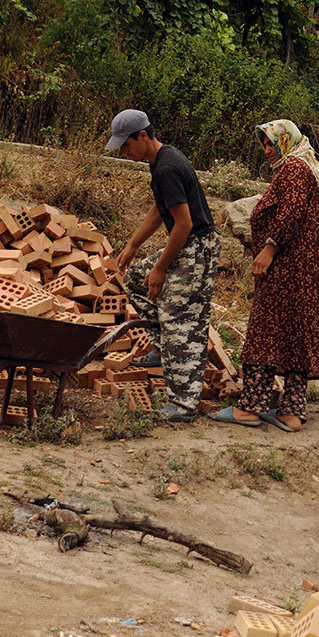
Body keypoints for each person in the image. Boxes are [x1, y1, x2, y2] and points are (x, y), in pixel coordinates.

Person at [209, 119, 319, 432]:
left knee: (263, 333)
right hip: (306, 272)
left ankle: (250, 408)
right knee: (296, 337)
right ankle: (291, 414)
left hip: (288, 269)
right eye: (264, 144)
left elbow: (290, 213)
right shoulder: (307, 166)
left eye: (271, 143)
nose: (267, 150)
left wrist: (268, 249)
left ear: (287, 141)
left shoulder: (294, 168)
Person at [107, 109, 219, 422]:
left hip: (196, 248)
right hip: (187, 244)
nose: (124, 151)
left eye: (125, 145)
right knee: (137, 280)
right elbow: (162, 209)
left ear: (143, 136)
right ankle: (164, 350)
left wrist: (161, 269)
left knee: (179, 318)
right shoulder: (160, 162)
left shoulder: (168, 167)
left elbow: (182, 224)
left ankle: (183, 405)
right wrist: (133, 245)